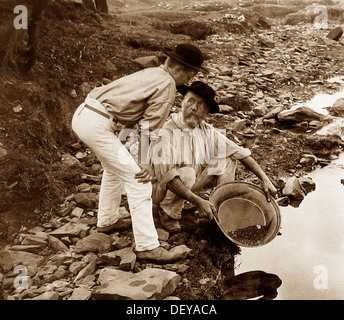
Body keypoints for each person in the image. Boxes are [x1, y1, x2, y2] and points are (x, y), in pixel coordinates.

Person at [71, 43, 207, 263]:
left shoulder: (153, 72)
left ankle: (107, 221)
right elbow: (148, 127)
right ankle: (148, 247)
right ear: (181, 69)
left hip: (87, 114)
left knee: (113, 169)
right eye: (190, 75)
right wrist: (144, 163)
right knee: (138, 180)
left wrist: (127, 146)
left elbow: (130, 115)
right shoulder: (167, 84)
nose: (189, 81)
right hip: (98, 123)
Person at [149, 81, 278, 232]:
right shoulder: (166, 132)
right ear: (182, 102)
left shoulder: (204, 129)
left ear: (207, 111)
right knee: (187, 173)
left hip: (188, 181)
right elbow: (168, 178)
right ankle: (168, 213)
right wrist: (198, 201)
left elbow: (239, 152)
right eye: (190, 101)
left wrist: (264, 178)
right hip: (159, 188)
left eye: (201, 105)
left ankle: (221, 209)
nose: (194, 108)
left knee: (227, 159)